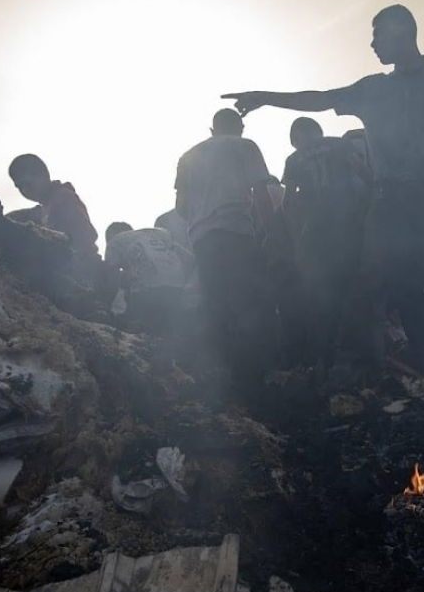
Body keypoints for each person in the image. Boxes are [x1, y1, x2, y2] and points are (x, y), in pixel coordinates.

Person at [223, 4, 424, 379]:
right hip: (390, 198)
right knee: (403, 281)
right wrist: (266, 97)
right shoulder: (372, 90)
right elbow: (319, 98)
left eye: (376, 34)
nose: (372, 44)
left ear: (401, 32)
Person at [175, 108, 278, 396]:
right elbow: (261, 193)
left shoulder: (188, 156)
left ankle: (225, 379)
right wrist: (273, 234)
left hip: (202, 240)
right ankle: (257, 377)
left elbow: (181, 207)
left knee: (217, 305)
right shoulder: (245, 146)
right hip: (236, 232)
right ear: (240, 127)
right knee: (252, 303)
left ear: (212, 129)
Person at [282, 116, 373, 376]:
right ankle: (358, 356)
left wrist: (296, 239)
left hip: (316, 235)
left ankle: (324, 359)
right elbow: (362, 172)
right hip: (348, 227)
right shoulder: (338, 145)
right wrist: (374, 197)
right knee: (354, 288)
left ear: (296, 137)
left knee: (322, 296)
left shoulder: (294, 159)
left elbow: (288, 203)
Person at [8, 153, 100, 287]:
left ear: (43, 176)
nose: (25, 190)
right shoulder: (45, 207)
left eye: (28, 184)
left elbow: (87, 235)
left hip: (85, 274)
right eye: (19, 187)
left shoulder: (63, 197)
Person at [104, 222, 193, 335]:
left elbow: (111, 278)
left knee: (144, 330)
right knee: (169, 329)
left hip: (148, 291)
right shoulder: (156, 233)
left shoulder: (114, 242)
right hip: (177, 285)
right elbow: (189, 259)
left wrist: (107, 307)